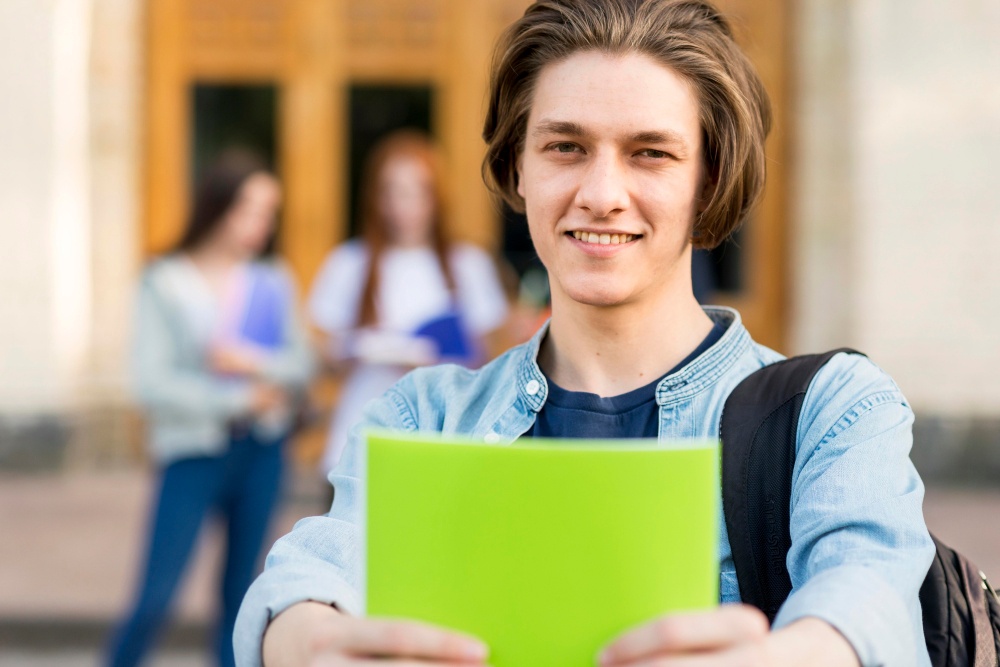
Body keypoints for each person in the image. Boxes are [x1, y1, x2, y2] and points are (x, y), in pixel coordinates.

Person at [234, 1, 934, 666]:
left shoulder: (832, 409)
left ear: (709, 177)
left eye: (650, 153)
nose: (601, 192)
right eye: (566, 146)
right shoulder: (423, 416)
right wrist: (309, 640)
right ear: (518, 166)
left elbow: (868, 601)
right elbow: (306, 574)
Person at [107, 150, 315, 667]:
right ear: (218, 205)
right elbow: (150, 383)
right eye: (251, 209)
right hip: (194, 452)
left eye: (270, 213)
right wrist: (238, 397)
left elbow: (303, 362)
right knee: (156, 597)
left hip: (263, 451)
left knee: (240, 601)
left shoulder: (271, 280)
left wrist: (250, 361)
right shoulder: (166, 281)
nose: (261, 225)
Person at [307, 130, 509, 474]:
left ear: (436, 196)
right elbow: (321, 352)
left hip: (442, 434)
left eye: (417, 193)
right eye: (394, 193)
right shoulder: (350, 262)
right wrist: (361, 347)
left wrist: (438, 355)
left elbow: (491, 356)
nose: (405, 207)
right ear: (376, 197)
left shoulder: (467, 264)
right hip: (363, 428)